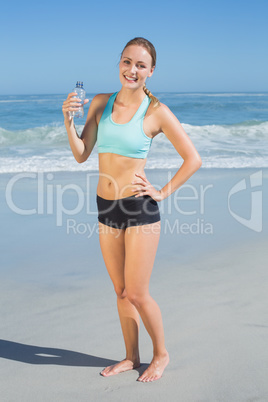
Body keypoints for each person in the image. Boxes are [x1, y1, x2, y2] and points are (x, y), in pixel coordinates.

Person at [62, 37, 202, 382]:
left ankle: (161, 354)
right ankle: (130, 356)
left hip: (139, 208)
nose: (132, 70)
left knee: (137, 292)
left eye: (141, 65)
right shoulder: (99, 103)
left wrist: (162, 192)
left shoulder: (156, 112)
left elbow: (193, 159)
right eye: (127, 62)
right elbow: (82, 153)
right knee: (120, 291)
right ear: (119, 64)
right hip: (105, 206)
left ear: (151, 72)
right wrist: (67, 121)